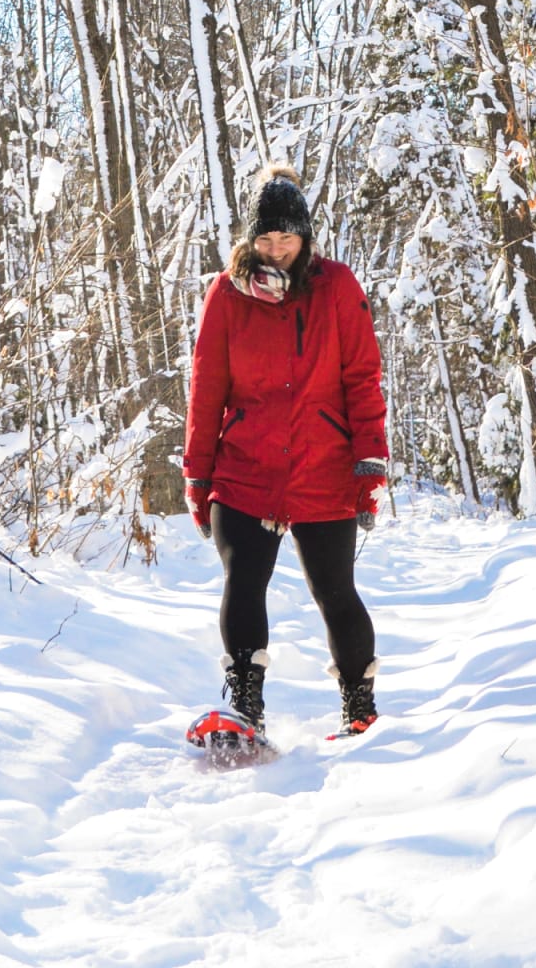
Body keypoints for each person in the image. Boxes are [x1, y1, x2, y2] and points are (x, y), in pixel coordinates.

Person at [183, 167, 388, 738]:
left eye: (287, 239)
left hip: (323, 466)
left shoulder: (336, 287)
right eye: (266, 239)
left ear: (305, 238)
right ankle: (244, 705)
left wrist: (369, 461)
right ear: (250, 240)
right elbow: (207, 389)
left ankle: (359, 707)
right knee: (243, 578)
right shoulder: (227, 294)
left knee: (334, 590)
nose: (276, 250)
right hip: (246, 467)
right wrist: (198, 475)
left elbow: (362, 377)